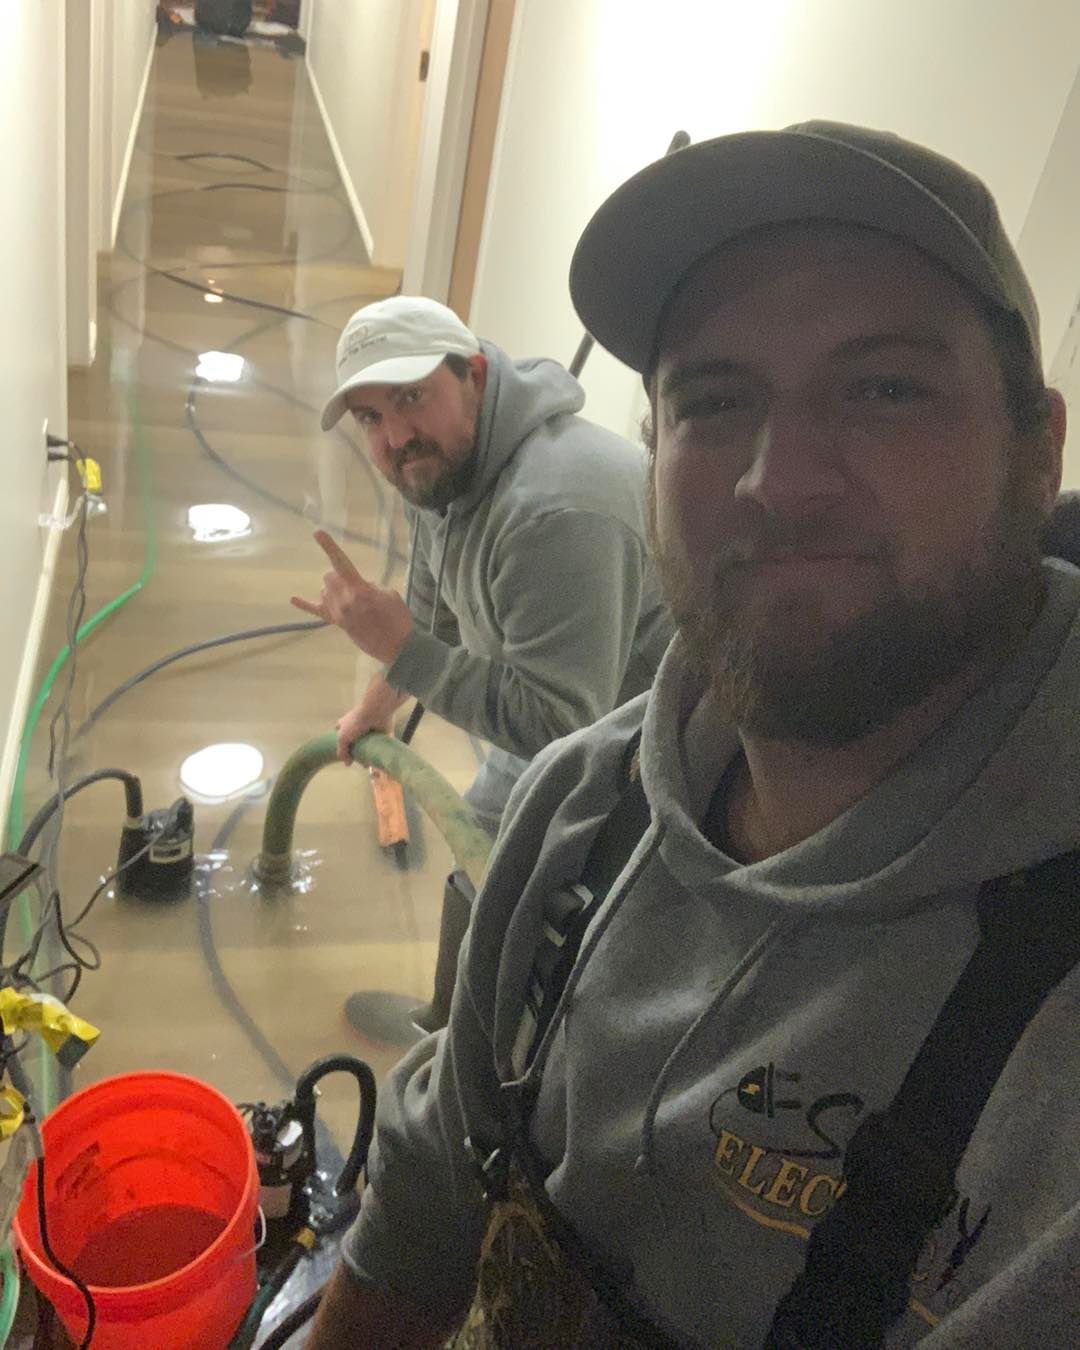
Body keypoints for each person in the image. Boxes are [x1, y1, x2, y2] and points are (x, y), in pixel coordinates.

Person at [306, 123, 1080, 1347]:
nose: (782, 481)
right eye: (716, 400)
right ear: (659, 445)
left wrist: (403, 652)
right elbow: (431, 1180)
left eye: (884, 389)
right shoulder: (581, 813)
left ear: (1039, 447)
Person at [296, 295, 673, 835]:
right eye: (371, 417)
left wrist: (402, 650)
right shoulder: (435, 465)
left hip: (642, 759)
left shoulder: (554, 512)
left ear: (472, 374)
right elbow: (432, 618)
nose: (397, 437)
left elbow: (559, 725)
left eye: (413, 397)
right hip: (550, 707)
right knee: (478, 867)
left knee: (493, 891)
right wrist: (378, 705)